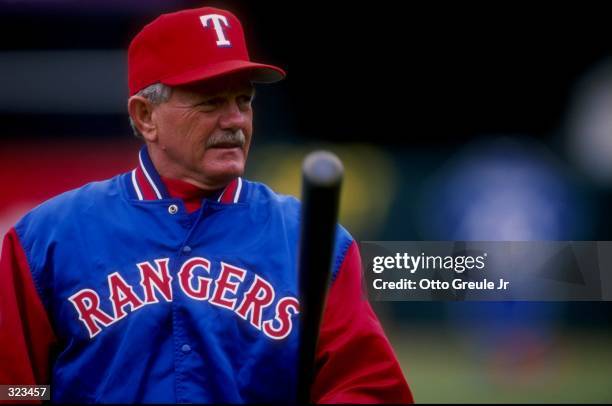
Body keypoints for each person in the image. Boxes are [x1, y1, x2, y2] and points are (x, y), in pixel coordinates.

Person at [0, 6, 413, 404]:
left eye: (244, 101)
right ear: (146, 117)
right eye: (210, 102)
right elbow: (12, 389)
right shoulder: (47, 238)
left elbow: (369, 388)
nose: (235, 120)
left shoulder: (313, 241)